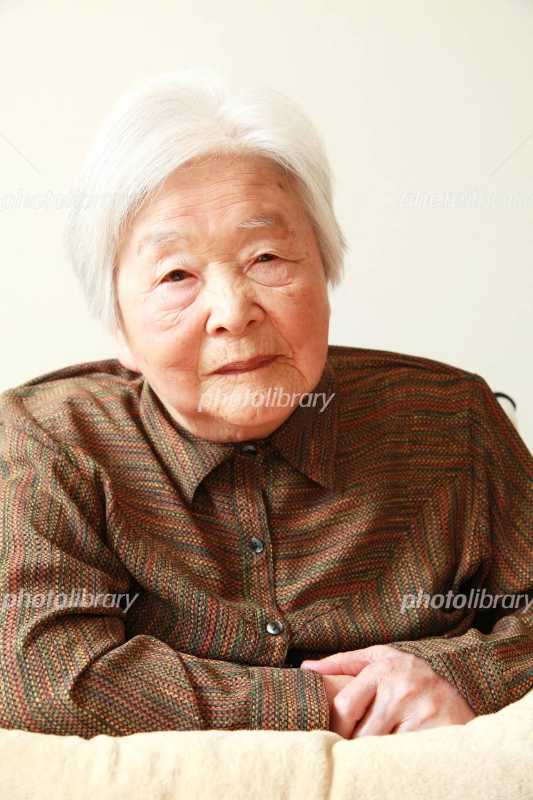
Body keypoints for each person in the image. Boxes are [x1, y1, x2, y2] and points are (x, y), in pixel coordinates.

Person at [0, 69, 531, 740]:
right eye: (176, 274)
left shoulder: (452, 421)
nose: (232, 311)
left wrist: (453, 676)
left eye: (267, 258)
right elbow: (36, 677)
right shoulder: (51, 442)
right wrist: (324, 703)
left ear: (326, 269)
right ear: (119, 330)